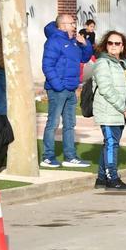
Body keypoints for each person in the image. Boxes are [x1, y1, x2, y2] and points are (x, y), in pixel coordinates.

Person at [40, 13, 91, 169]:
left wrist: (86, 44)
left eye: (74, 23)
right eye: (71, 23)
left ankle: (70, 156)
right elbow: (47, 66)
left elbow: (85, 58)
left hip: (71, 88)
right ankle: (48, 156)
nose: (74, 26)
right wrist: (58, 85)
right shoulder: (54, 41)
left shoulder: (74, 42)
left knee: (70, 124)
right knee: (53, 123)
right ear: (62, 25)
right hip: (58, 90)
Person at [90, 31, 126, 191]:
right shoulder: (102, 63)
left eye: (117, 43)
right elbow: (106, 89)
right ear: (105, 44)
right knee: (111, 143)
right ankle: (112, 178)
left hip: (122, 111)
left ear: (123, 46)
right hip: (108, 110)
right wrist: (123, 108)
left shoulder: (125, 63)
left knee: (110, 143)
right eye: (110, 43)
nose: (114, 46)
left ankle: (102, 178)